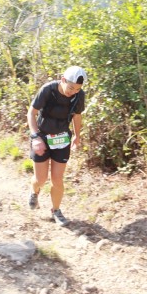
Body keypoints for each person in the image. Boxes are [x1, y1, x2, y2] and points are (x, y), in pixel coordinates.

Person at [27, 66, 87, 226]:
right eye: (71, 88)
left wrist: (77, 136)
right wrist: (35, 137)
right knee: (41, 179)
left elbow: (77, 116)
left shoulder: (79, 95)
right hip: (42, 137)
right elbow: (31, 113)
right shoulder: (48, 90)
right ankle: (34, 191)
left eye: (77, 89)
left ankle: (56, 210)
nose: (73, 92)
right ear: (63, 80)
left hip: (61, 139)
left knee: (57, 179)